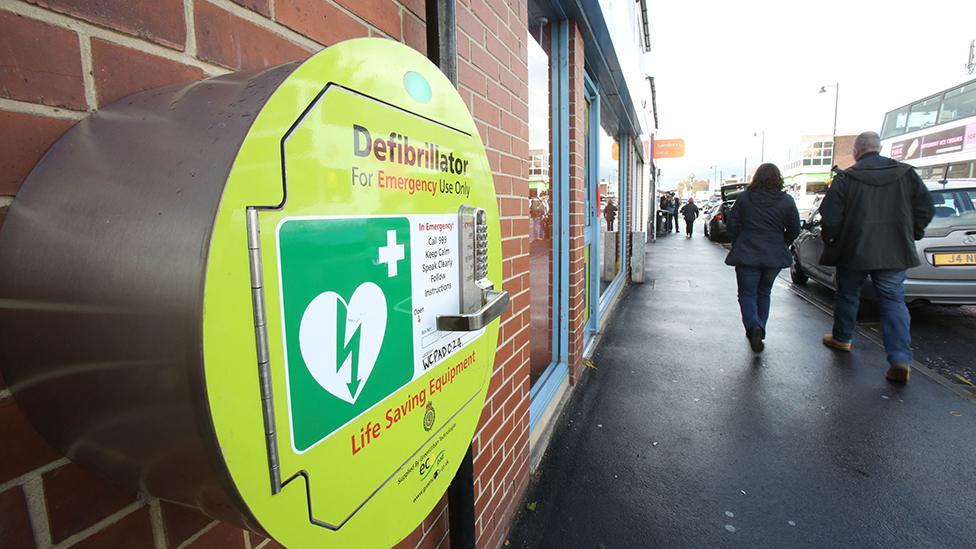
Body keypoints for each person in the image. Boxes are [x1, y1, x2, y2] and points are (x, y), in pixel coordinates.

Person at [818, 131, 933, 383]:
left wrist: (833, 240)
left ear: (857, 152)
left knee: (848, 294)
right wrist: (911, 233)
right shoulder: (905, 174)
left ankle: (843, 338)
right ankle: (900, 359)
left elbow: (831, 218)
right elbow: (926, 208)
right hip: (894, 251)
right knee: (893, 300)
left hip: (854, 250)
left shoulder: (846, 178)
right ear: (879, 148)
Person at [724, 163, 801, 352]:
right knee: (764, 293)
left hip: (747, 252)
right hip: (774, 254)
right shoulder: (787, 201)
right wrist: (781, 242)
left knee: (747, 293)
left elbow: (732, 225)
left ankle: (753, 326)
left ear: (756, 178)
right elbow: (795, 229)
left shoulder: (745, 198)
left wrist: (739, 241)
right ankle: (760, 328)